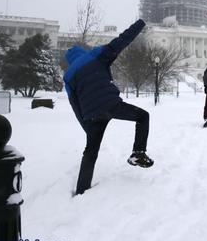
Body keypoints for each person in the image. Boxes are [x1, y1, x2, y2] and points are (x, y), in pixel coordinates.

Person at [64, 19, 154, 195]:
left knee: (90, 152)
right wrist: (139, 24)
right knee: (143, 116)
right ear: (83, 52)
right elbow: (122, 41)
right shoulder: (95, 55)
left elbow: (74, 104)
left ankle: (82, 189)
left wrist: (87, 126)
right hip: (111, 104)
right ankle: (138, 153)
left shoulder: (68, 76)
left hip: (92, 115)